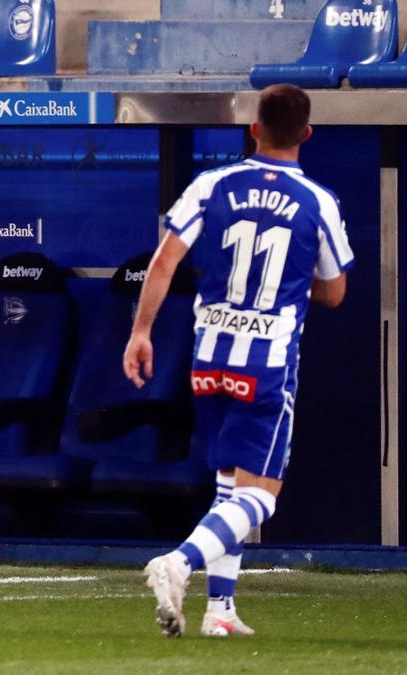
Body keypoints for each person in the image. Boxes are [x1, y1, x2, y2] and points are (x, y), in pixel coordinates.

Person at [123, 84, 351, 638]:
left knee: (229, 483)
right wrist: (295, 288)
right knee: (261, 495)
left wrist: (141, 332)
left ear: (253, 128)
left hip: (210, 357)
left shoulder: (211, 184)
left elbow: (164, 261)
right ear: (307, 134)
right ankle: (178, 562)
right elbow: (336, 291)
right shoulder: (317, 201)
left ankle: (220, 612)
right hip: (267, 362)